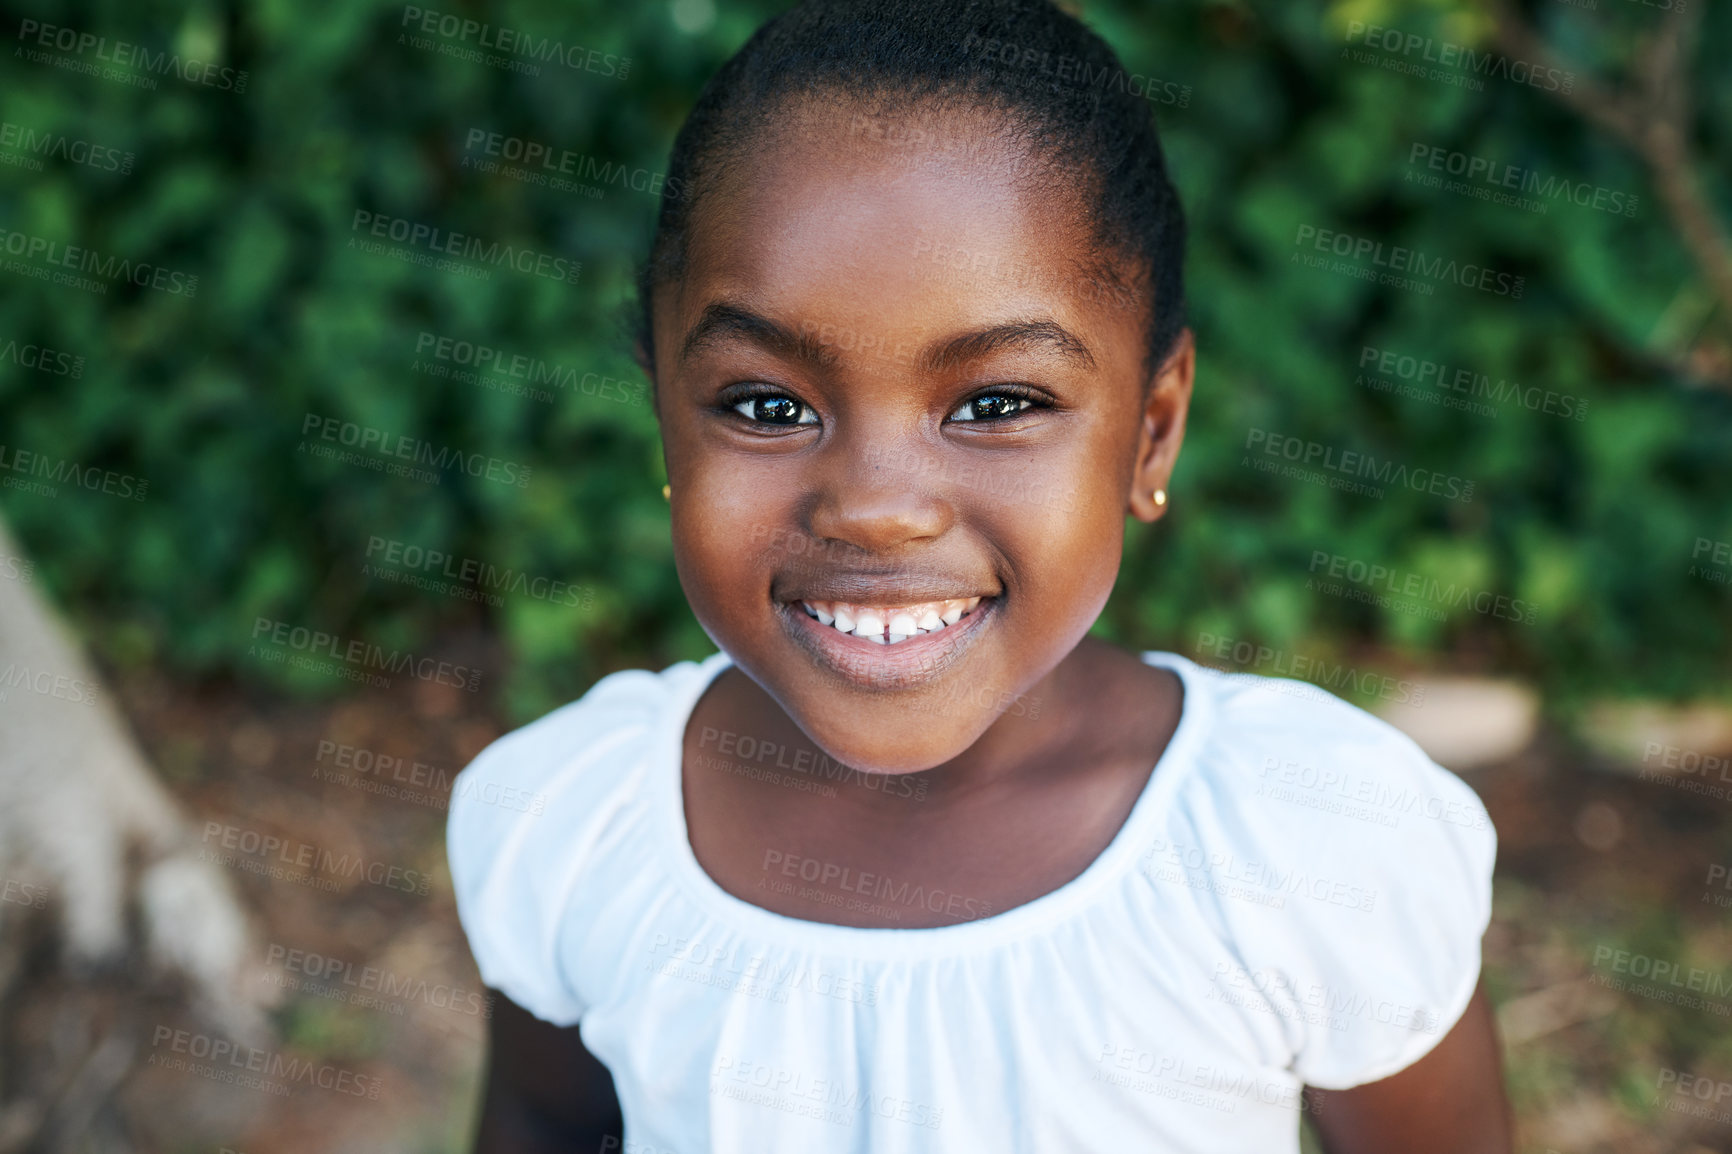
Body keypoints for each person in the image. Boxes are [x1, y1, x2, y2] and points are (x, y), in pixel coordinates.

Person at [448, 1, 1512, 1149]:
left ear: (1151, 431)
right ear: (667, 421)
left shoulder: (1303, 844)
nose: (876, 505)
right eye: (765, 404)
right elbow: (540, 1125)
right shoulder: (577, 826)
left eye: (997, 403)